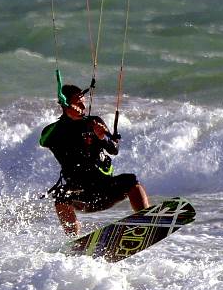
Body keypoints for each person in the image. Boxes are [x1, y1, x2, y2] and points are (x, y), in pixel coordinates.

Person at [39, 84, 150, 235]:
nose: (82, 104)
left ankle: (148, 221)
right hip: (82, 196)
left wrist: (102, 137)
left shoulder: (94, 122)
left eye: (82, 99)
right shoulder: (54, 131)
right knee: (61, 195)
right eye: (77, 100)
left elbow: (114, 149)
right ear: (66, 104)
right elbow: (43, 140)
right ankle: (73, 240)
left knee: (131, 181)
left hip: (105, 190)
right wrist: (67, 117)